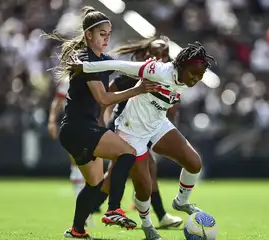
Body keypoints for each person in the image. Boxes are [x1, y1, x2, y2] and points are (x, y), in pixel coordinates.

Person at [70, 41, 215, 239]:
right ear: (181, 66)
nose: (196, 79)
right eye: (193, 74)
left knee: (194, 163)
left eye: (200, 76)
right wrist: (85, 67)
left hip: (157, 125)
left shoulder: (183, 78)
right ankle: (147, 226)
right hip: (131, 133)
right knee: (144, 188)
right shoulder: (156, 70)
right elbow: (118, 65)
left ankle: (181, 202)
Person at [43, 6, 160, 239]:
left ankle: (76, 231)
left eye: (108, 33)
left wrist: (151, 69)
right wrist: (136, 89)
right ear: (89, 35)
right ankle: (114, 209)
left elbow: (122, 70)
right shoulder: (86, 60)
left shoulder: (102, 60)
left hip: (76, 131)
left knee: (95, 184)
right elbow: (104, 98)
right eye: (102, 34)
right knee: (128, 153)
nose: (107, 38)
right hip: (80, 128)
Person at [97, 36, 183, 229]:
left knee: (127, 173)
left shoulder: (167, 77)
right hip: (123, 128)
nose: (161, 58)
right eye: (156, 54)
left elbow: (170, 107)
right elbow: (108, 94)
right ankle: (159, 215)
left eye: (165, 55)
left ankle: (89, 211)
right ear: (146, 55)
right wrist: (104, 119)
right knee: (136, 170)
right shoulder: (132, 76)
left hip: (143, 131)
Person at [47, 77, 102, 227]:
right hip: (73, 125)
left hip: (91, 123)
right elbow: (58, 102)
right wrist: (52, 121)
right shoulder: (68, 80)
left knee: (91, 165)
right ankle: (86, 213)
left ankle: (87, 210)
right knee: (78, 163)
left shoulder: (94, 75)